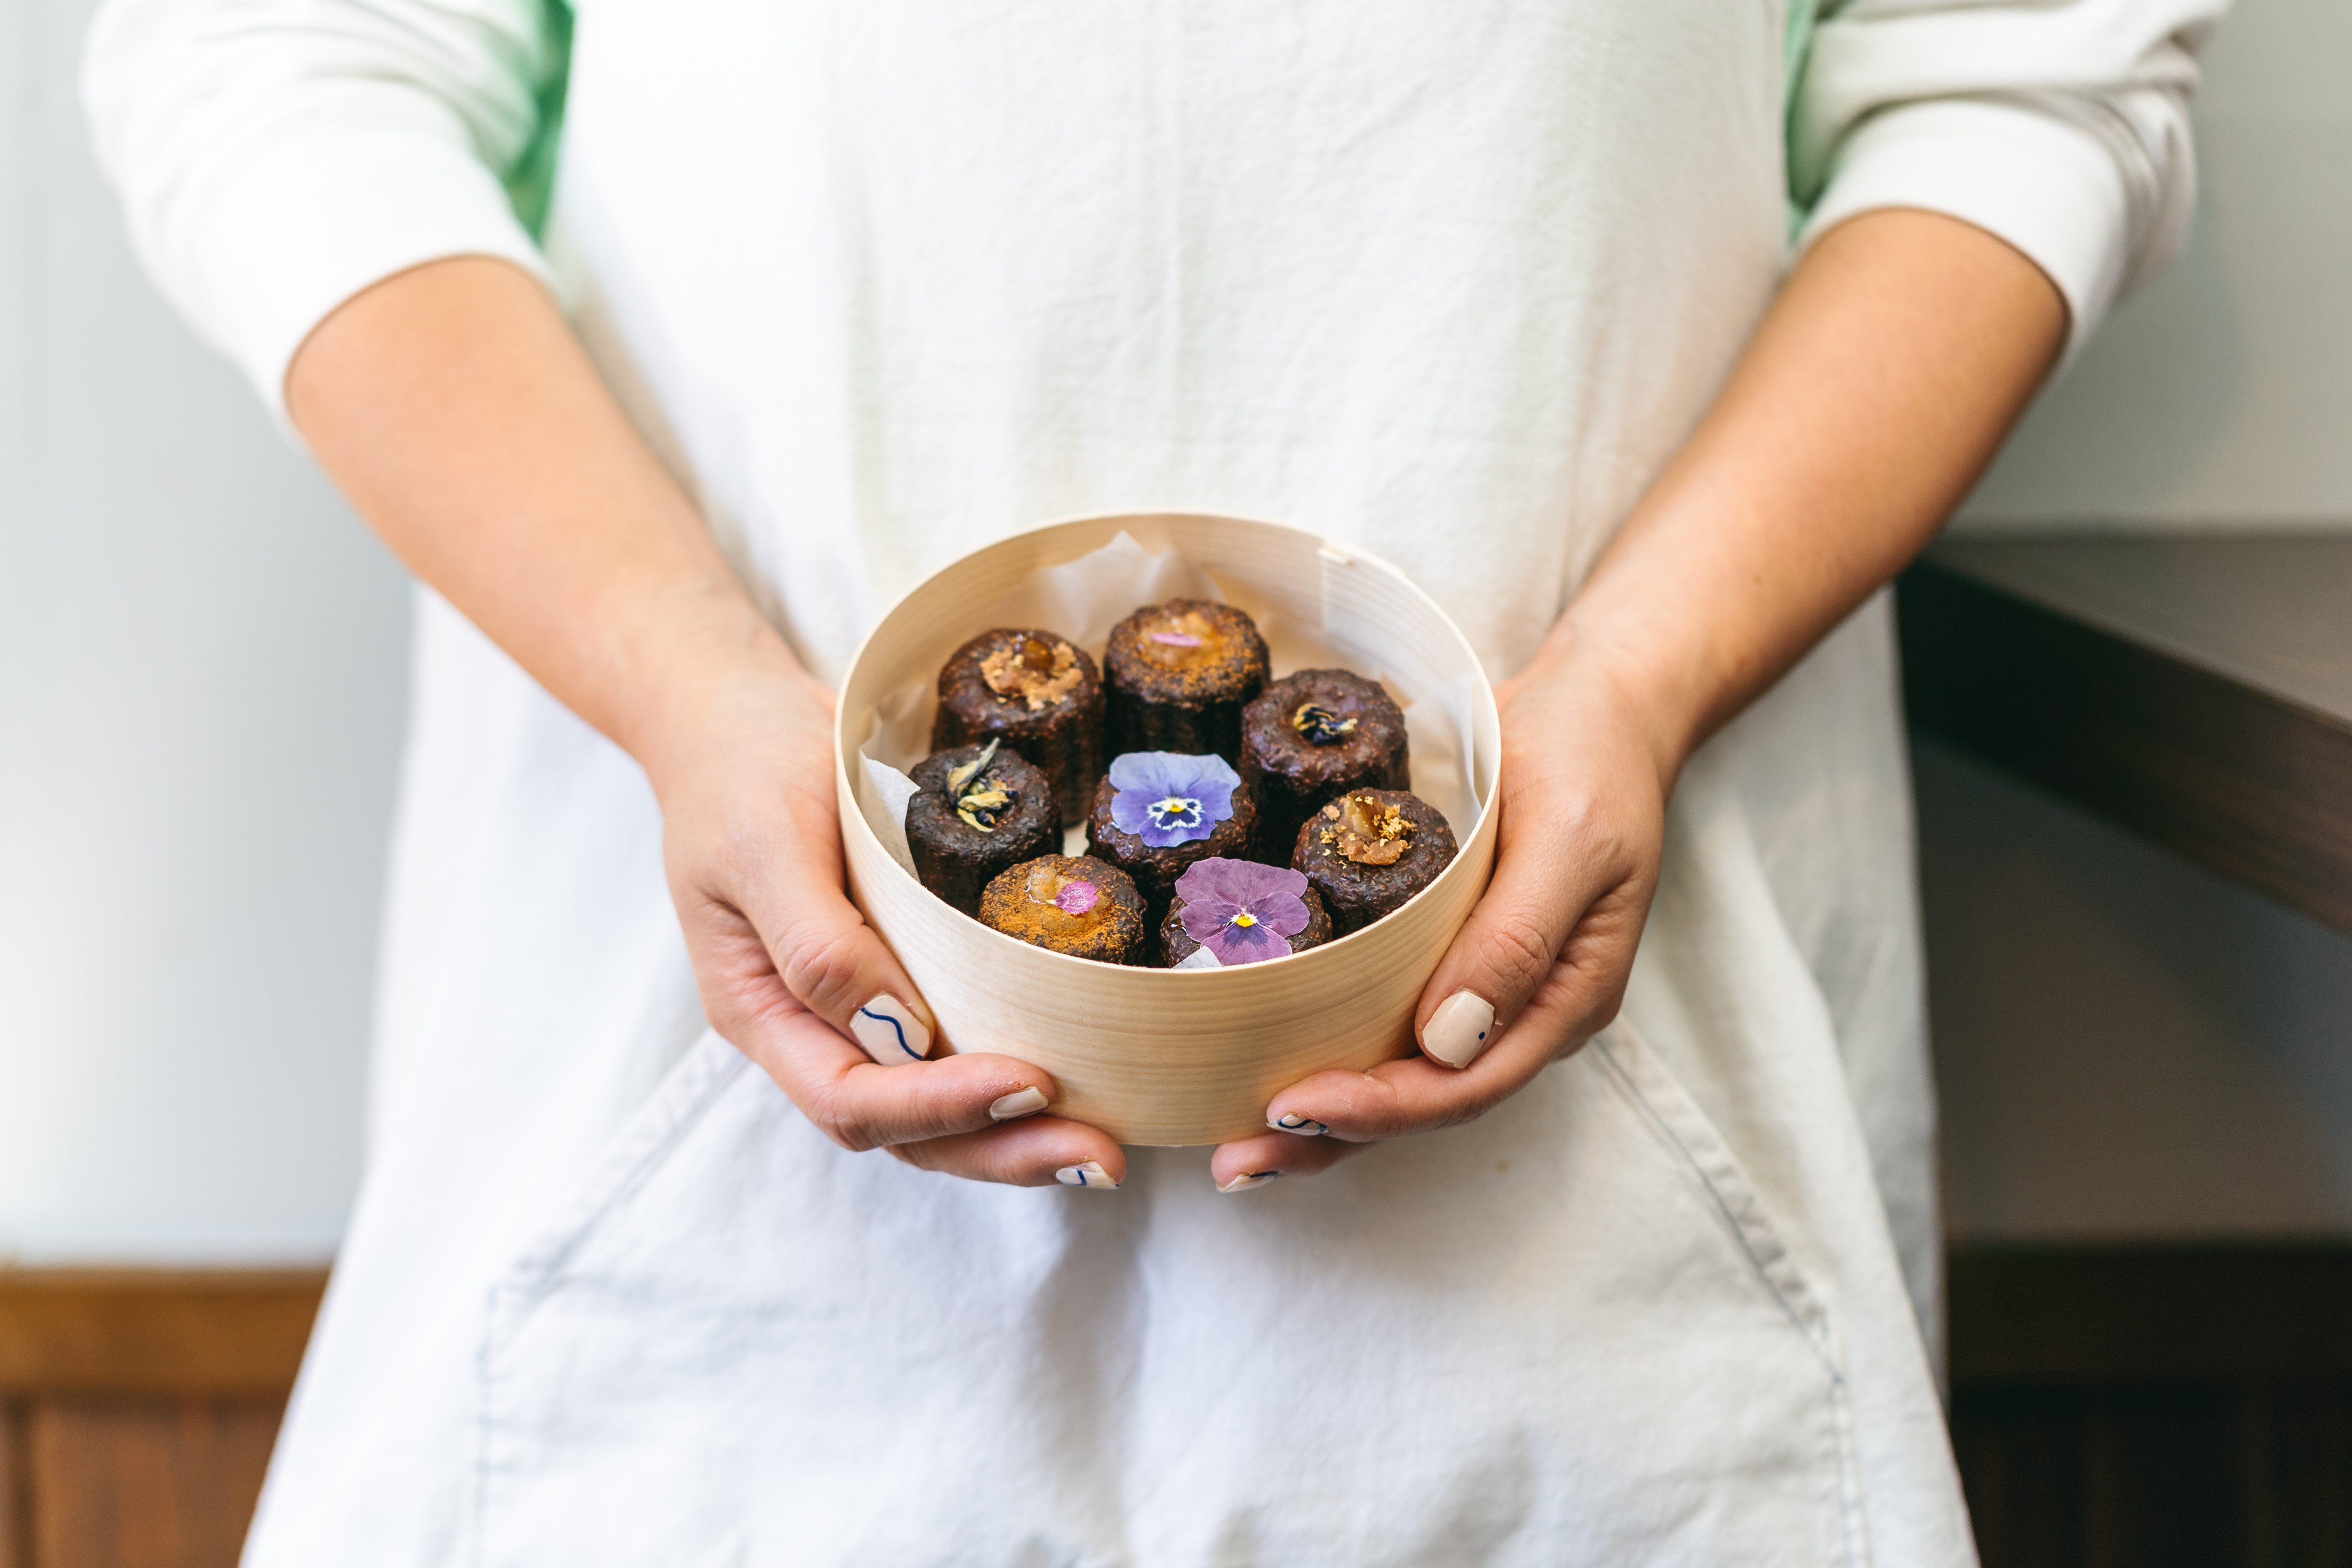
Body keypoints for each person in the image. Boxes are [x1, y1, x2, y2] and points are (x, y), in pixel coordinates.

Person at [86, 2, 2218, 1561]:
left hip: (1611, 1251)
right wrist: (683, 679)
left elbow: (2017, 67)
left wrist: (1640, 679)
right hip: (716, 1224)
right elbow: (280, 57)